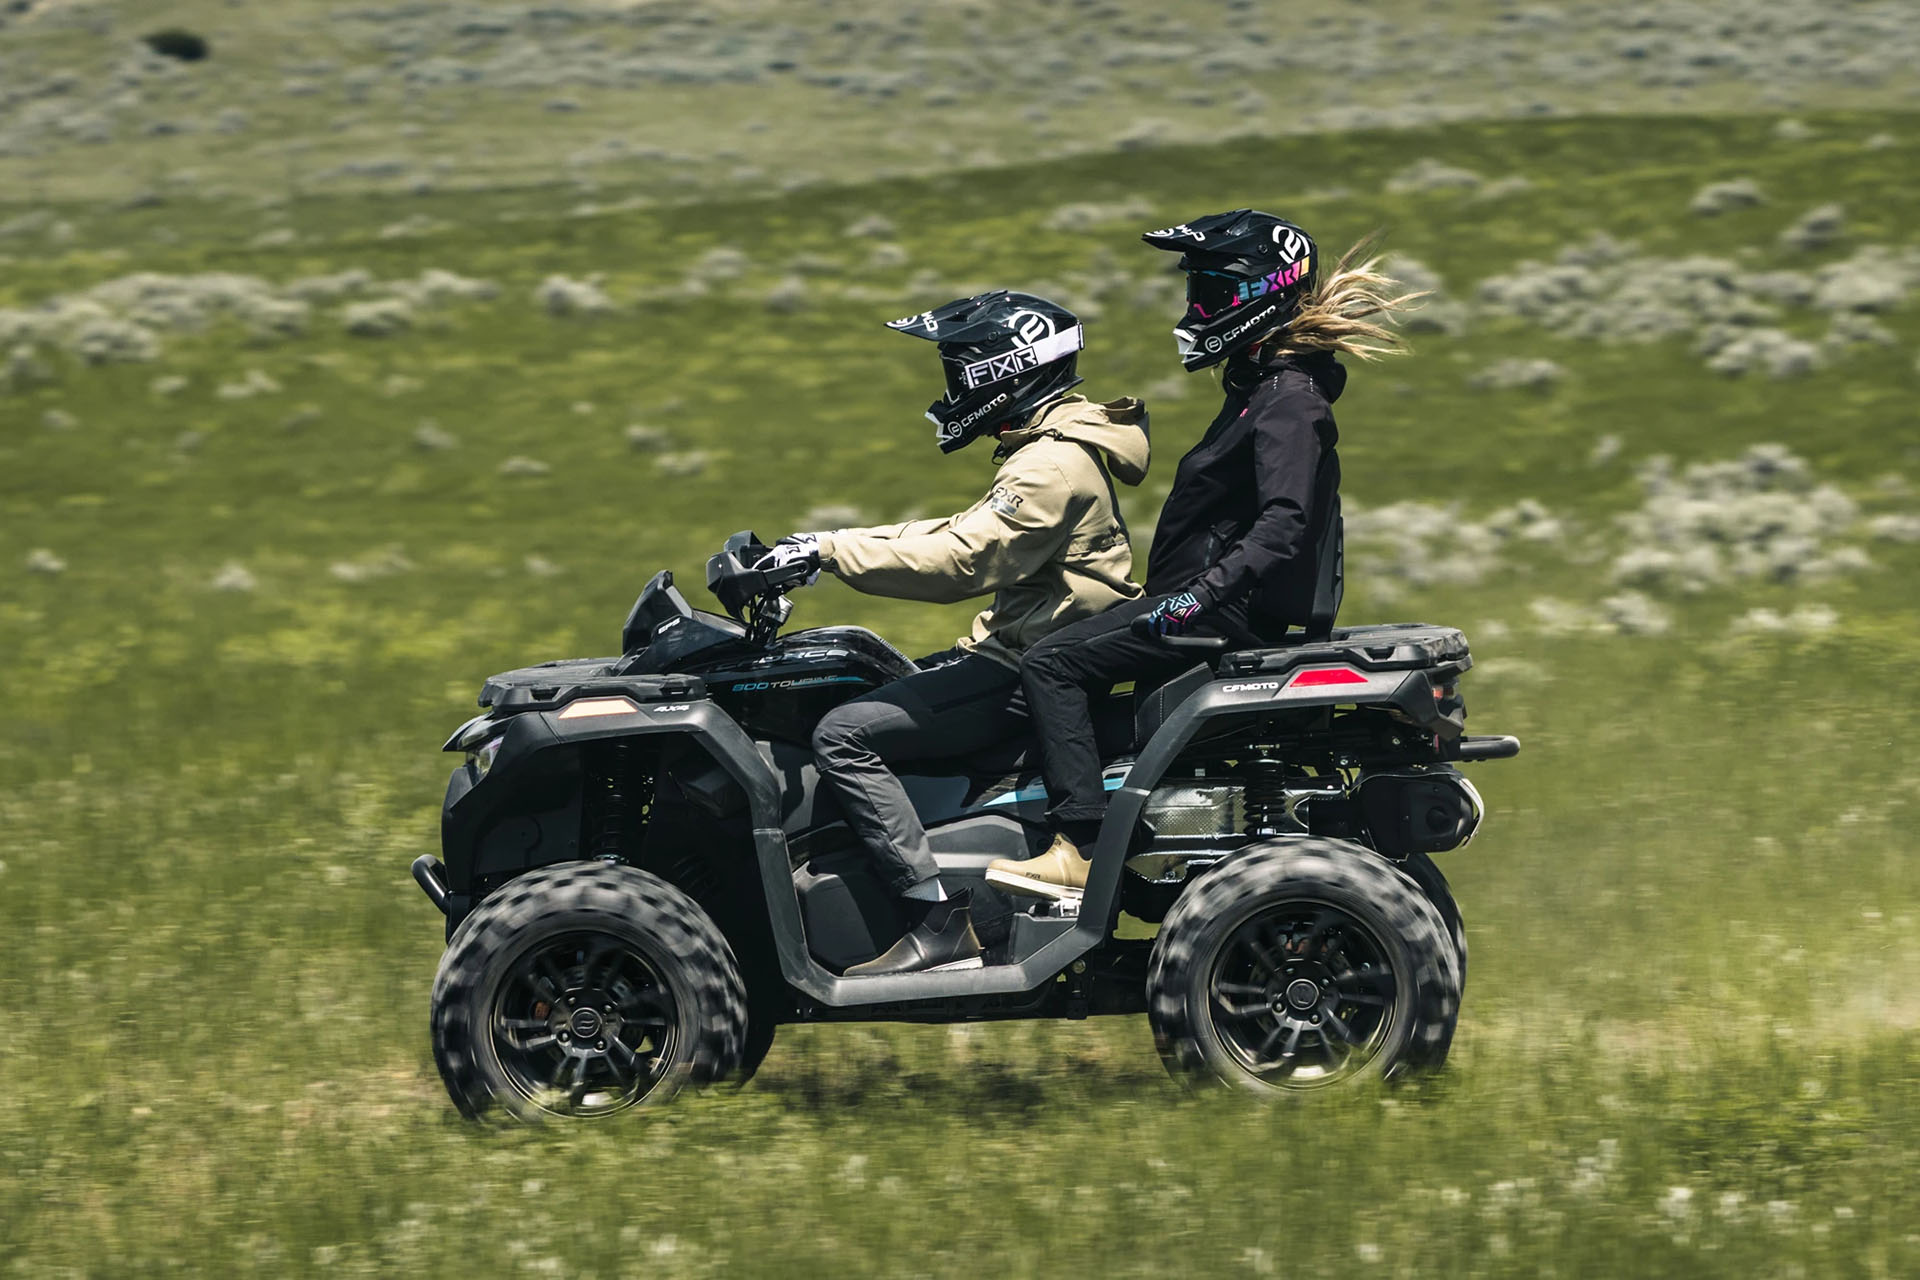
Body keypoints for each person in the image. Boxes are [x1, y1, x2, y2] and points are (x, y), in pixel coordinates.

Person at [986, 210, 1422, 903]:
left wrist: (1198, 598)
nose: (1194, 309)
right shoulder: (1262, 391)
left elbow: (1284, 523)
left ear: (1255, 295)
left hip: (1222, 611)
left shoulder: (1288, 401)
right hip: (1209, 603)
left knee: (1051, 664)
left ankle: (1082, 850)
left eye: (1208, 292)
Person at [757, 290, 1150, 975]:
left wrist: (825, 553)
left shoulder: (1051, 464)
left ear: (1002, 370)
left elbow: (961, 558)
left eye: (956, 370)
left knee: (842, 735)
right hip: (1018, 650)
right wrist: (820, 543)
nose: (948, 389)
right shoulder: (1045, 449)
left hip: (1023, 669)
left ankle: (936, 920)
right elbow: (954, 532)